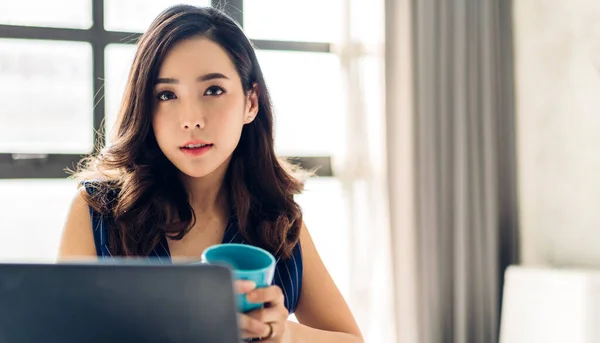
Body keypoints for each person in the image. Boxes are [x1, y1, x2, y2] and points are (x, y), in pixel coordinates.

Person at [58, 4, 363, 343]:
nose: (191, 119)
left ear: (251, 102)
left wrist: (284, 334)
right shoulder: (97, 213)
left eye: (213, 90)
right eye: (167, 95)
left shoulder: (279, 219)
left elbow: (350, 339)